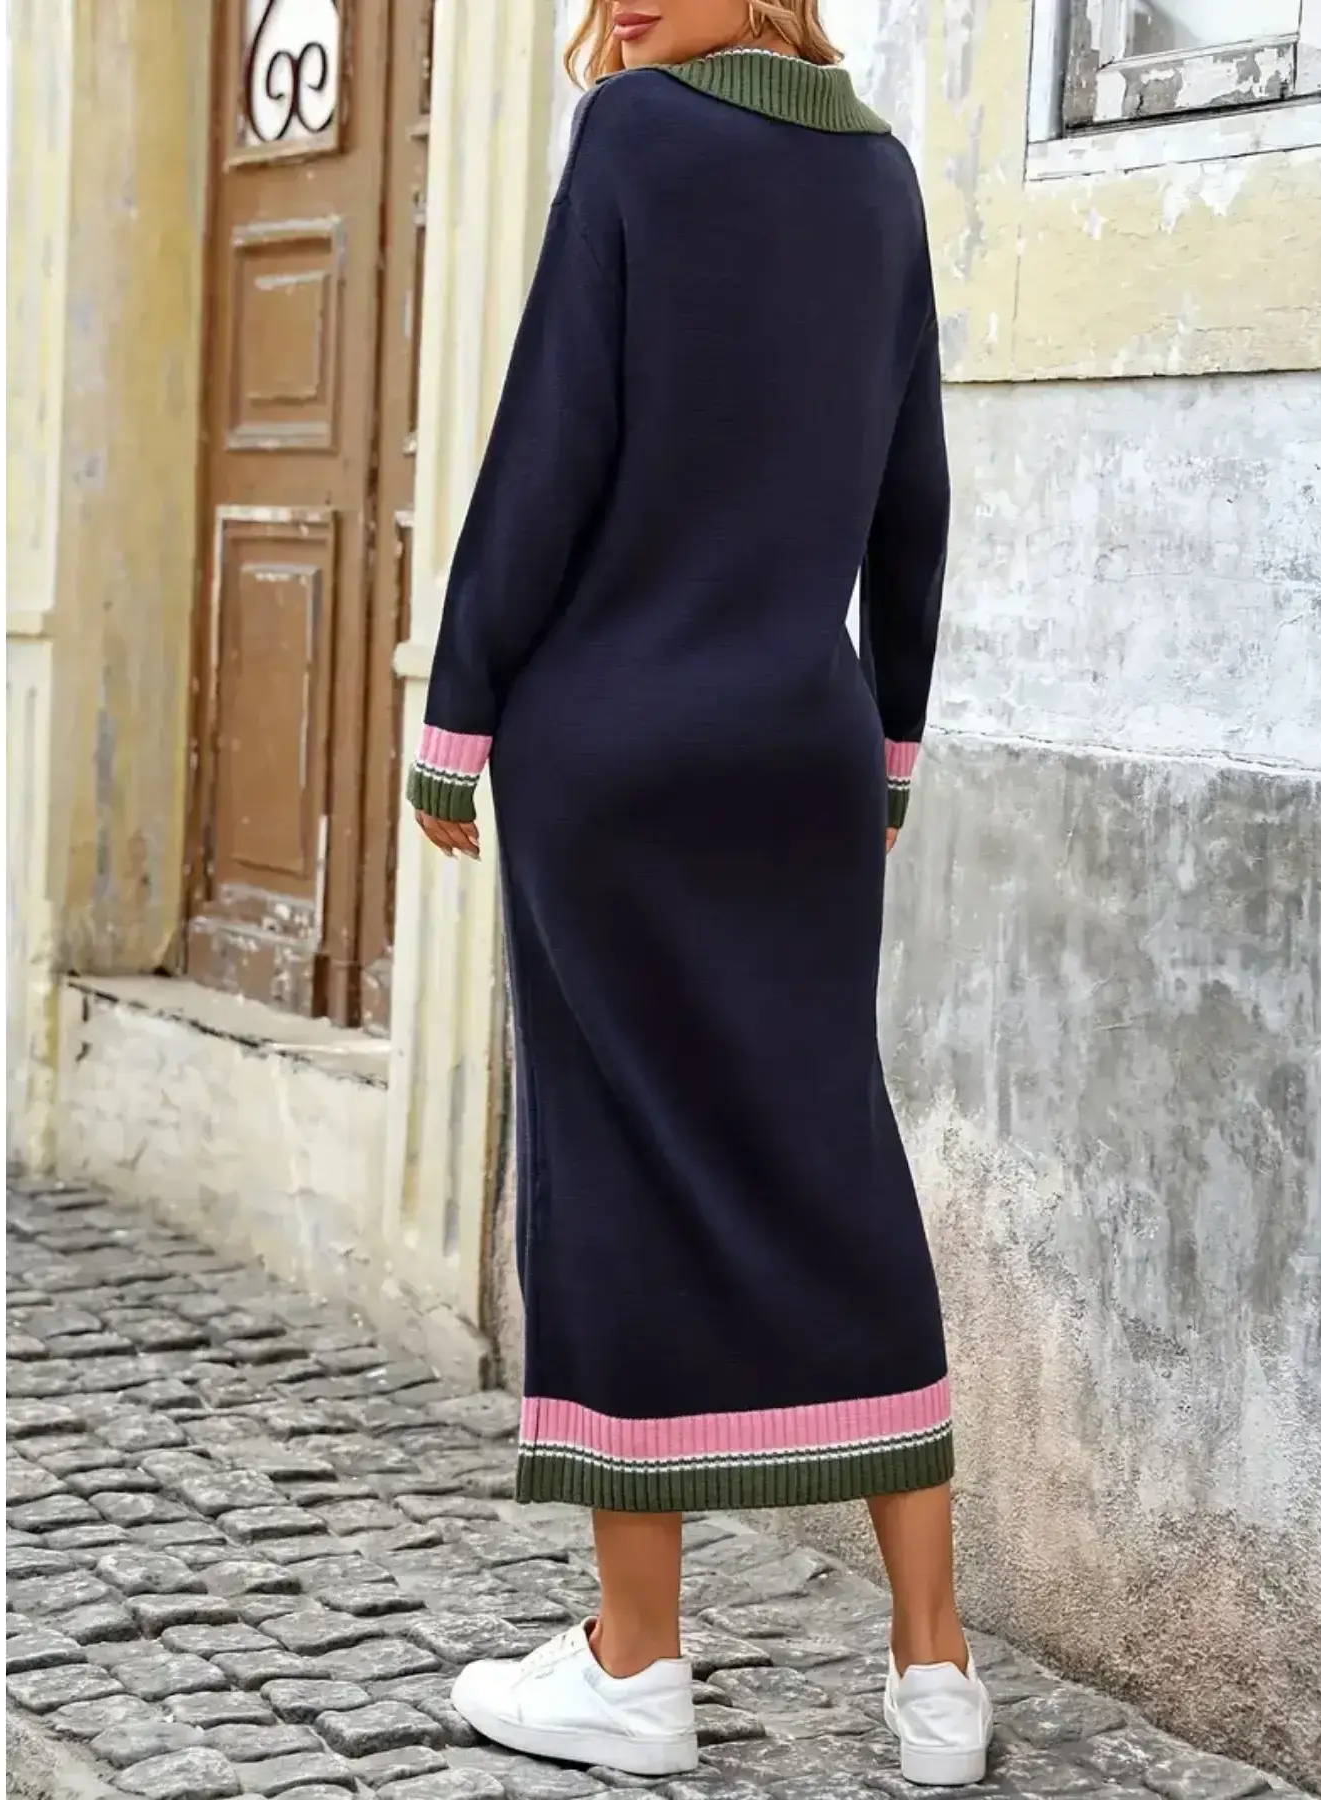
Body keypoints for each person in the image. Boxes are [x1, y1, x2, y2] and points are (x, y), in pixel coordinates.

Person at [408, 0, 988, 1783]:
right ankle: (937, 1673)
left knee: (612, 1172)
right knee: (836, 1153)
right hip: (804, 755)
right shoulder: (882, 176)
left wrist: (458, 710)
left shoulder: (637, 141)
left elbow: (549, 444)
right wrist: (889, 740)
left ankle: (635, 1665)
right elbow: (913, 489)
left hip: (611, 753)